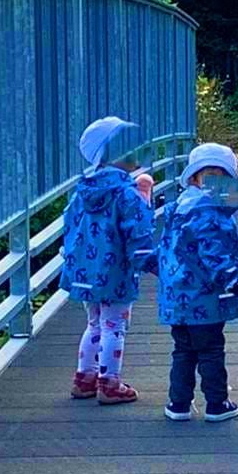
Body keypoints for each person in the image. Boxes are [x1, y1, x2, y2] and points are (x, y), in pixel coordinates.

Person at [61, 116, 156, 405]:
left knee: (94, 323)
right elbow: (138, 233)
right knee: (114, 325)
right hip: (116, 271)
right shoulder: (126, 193)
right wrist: (152, 263)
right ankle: (110, 383)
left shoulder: (83, 190)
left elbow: (70, 226)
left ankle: (84, 379)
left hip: (85, 271)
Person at [157, 143, 238, 422]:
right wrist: (235, 281)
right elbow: (214, 255)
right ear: (195, 178)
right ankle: (217, 403)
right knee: (210, 350)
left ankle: (179, 404)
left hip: (177, 296)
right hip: (204, 298)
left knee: (183, 350)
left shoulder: (177, 208)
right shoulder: (210, 212)